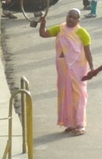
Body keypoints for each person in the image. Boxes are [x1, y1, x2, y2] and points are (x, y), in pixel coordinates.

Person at [38, 8, 93, 136]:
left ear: (78, 20)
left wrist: (92, 66)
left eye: (74, 18)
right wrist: (42, 24)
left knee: (79, 96)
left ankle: (80, 125)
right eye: (69, 16)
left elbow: (87, 50)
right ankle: (70, 124)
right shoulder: (60, 29)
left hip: (78, 68)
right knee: (65, 95)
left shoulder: (82, 33)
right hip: (63, 68)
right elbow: (44, 34)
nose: (71, 19)